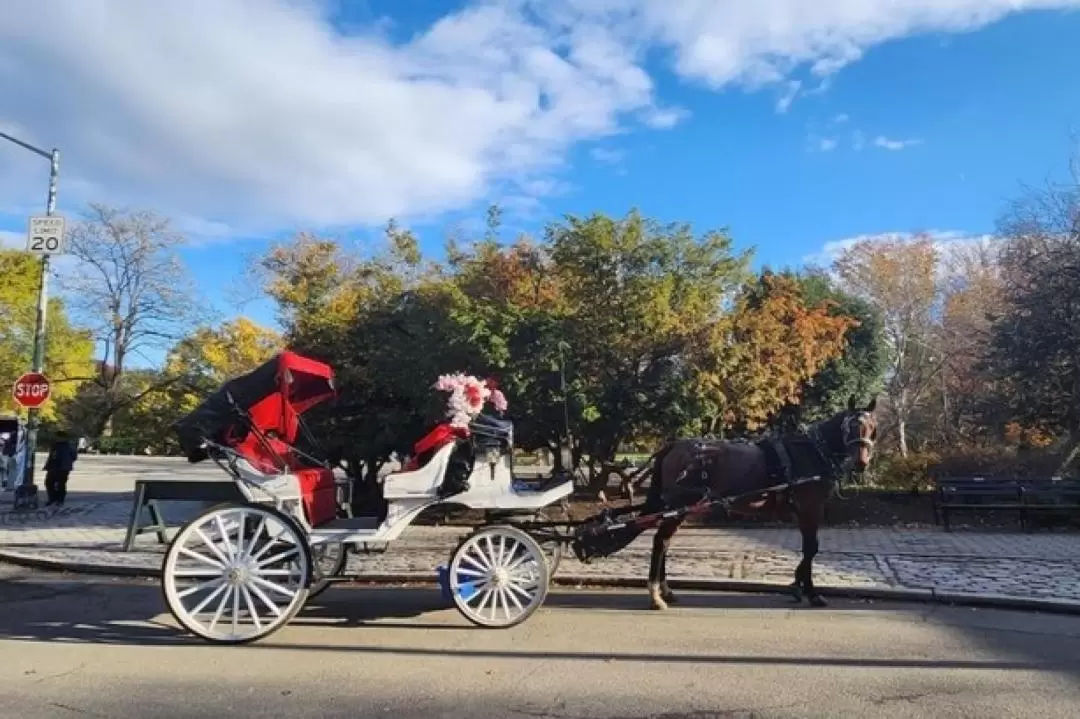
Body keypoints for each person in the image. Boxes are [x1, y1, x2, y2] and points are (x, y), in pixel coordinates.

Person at [44, 431, 78, 507]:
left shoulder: (69, 445)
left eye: (58, 437)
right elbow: (51, 455)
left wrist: (67, 461)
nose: (57, 439)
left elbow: (74, 456)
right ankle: (52, 498)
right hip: (53, 466)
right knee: (49, 482)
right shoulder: (54, 445)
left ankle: (60, 499)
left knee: (61, 483)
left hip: (63, 467)